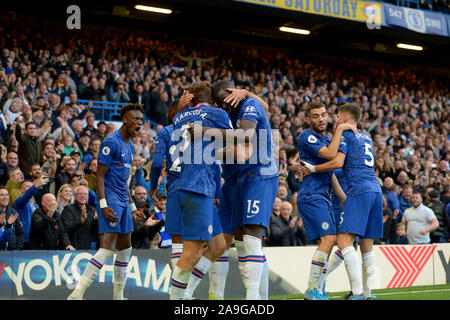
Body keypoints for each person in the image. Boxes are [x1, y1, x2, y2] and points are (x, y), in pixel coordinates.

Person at [300, 103, 383, 300]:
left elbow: (336, 162)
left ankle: (356, 293)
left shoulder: (343, 134)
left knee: (344, 241)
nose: (333, 120)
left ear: (344, 118)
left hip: (359, 190)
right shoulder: (366, 136)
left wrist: (313, 169)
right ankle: (368, 294)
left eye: (336, 117)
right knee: (366, 245)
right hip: (375, 190)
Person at [67, 103, 144, 300]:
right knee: (107, 248)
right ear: (125, 120)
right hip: (110, 198)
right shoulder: (111, 142)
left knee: (126, 249)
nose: (140, 123)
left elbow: (124, 181)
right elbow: (99, 176)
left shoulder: (129, 145)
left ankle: (117, 297)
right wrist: (103, 204)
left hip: (124, 200)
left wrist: (133, 207)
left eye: (142, 120)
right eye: (136, 119)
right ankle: (77, 293)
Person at [167, 81, 231, 300]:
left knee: (219, 245)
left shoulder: (178, 117)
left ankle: (186, 294)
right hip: (198, 187)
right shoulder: (216, 113)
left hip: (187, 184)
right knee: (191, 253)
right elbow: (241, 138)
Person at [295, 101, 352, 300]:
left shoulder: (326, 138)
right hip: (311, 196)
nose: (321, 119)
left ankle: (319, 286)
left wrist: (342, 197)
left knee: (329, 241)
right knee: (328, 240)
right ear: (307, 119)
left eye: (323, 114)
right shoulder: (306, 136)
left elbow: (332, 173)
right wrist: (341, 129)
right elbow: (330, 155)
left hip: (323, 197)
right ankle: (311, 289)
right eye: (316, 116)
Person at [13, 175, 49, 249]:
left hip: (35, 241)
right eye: (27, 186)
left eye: (31, 186)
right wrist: (35, 186)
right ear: (22, 190)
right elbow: (26, 196)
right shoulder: (19, 202)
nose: (30, 188)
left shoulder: (35, 205)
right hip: (23, 241)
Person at [61, 185, 98, 250]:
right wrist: (81, 220)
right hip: (71, 248)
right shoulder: (68, 209)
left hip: (86, 249)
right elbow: (65, 229)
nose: (83, 196)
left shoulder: (92, 210)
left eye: (85, 194)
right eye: (80, 194)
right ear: (75, 196)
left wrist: (96, 221)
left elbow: (94, 231)